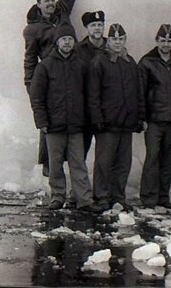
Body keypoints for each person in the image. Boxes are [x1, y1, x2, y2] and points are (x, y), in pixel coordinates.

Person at [23, 0, 87, 176]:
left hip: (73, 71)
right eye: (46, 2)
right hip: (50, 77)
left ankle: (75, 167)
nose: (51, 4)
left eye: (52, 0)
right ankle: (49, 168)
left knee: (75, 119)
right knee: (50, 125)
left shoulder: (62, 12)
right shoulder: (32, 30)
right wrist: (31, 86)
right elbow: (30, 59)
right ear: (39, 6)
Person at [28, 24, 103, 213]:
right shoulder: (45, 65)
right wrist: (42, 121)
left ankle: (84, 199)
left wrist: (88, 119)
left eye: (70, 39)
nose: (67, 42)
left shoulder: (81, 65)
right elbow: (37, 96)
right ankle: (57, 196)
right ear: (57, 42)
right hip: (54, 125)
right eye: (64, 39)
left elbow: (89, 94)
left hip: (77, 125)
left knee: (78, 163)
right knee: (55, 164)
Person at [88, 23, 145, 211]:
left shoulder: (130, 63)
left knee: (123, 163)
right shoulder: (100, 62)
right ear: (108, 40)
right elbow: (93, 94)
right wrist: (97, 118)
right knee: (104, 161)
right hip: (108, 123)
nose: (117, 42)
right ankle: (102, 196)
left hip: (126, 123)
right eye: (114, 39)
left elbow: (138, 93)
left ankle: (118, 196)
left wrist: (139, 117)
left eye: (121, 39)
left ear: (125, 40)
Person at [138, 24, 171, 209]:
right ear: (157, 41)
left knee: (170, 159)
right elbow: (140, 92)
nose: (166, 44)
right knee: (152, 158)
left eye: (169, 40)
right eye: (163, 40)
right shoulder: (147, 62)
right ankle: (148, 198)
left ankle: (163, 196)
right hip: (154, 120)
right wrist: (142, 117)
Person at [74, 10, 107, 156]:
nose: (97, 28)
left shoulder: (111, 48)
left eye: (100, 24)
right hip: (85, 110)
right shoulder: (78, 50)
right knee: (81, 150)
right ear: (87, 28)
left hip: (106, 108)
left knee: (106, 152)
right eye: (93, 25)